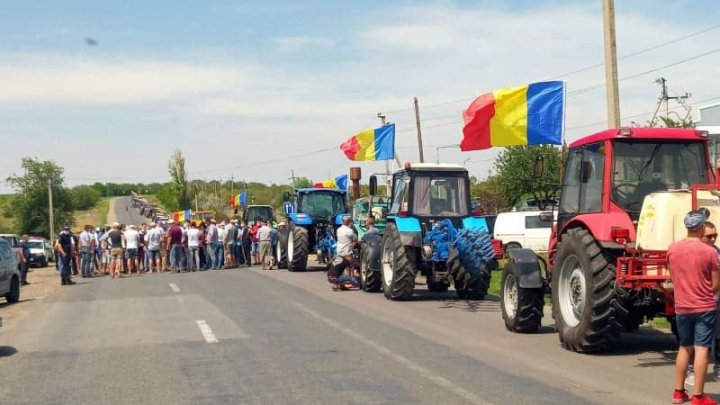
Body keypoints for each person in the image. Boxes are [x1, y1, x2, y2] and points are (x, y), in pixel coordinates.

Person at [668, 210, 720, 405]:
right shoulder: (710, 252)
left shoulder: (673, 249)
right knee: (701, 349)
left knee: (684, 347)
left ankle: (679, 392)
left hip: (682, 305)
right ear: (700, 228)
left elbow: (674, 277)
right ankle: (698, 396)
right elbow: (716, 284)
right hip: (704, 306)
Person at [702, 221, 720, 381]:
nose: (713, 239)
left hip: (716, 298)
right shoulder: (695, 253)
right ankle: (692, 368)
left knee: (719, 333)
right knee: (700, 337)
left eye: (715, 235)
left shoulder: (717, 252)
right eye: (709, 236)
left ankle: (719, 366)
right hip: (700, 301)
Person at [326, 216, 359, 290]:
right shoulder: (350, 231)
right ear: (349, 222)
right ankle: (348, 283)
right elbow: (355, 241)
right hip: (347, 251)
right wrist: (353, 246)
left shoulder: (338, 230)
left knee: (339, 268)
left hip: (339, 250)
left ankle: (338, 284)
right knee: (348, 267)